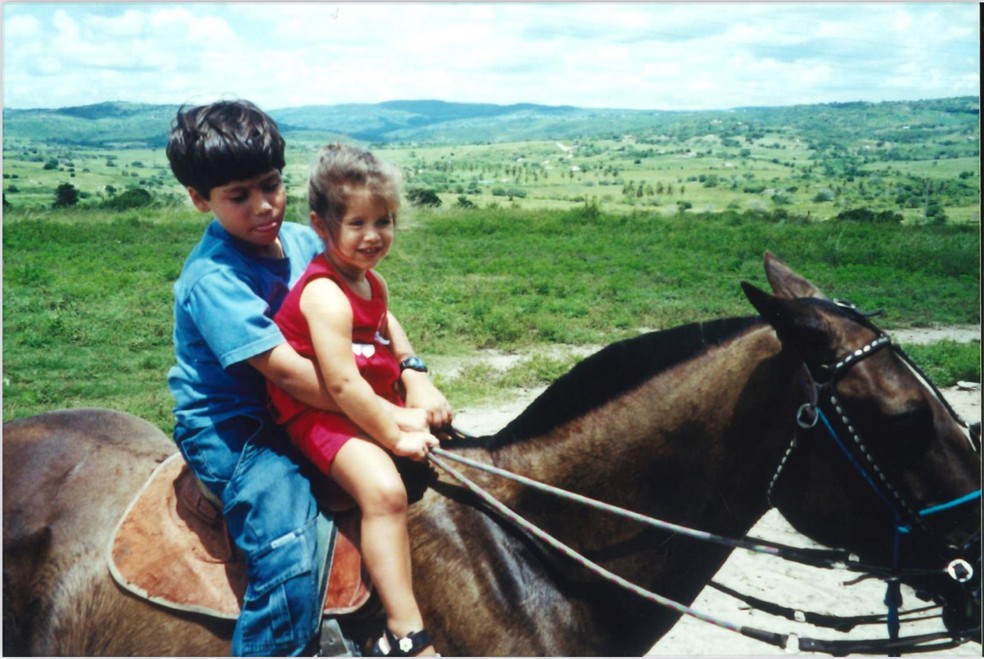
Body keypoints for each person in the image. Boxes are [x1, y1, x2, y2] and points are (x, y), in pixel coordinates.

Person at [166, 101, 443, 655]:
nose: (263, 206)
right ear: (200, 200)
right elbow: (292, 376)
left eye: (270, 185)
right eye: (238, 196)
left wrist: (414, 372)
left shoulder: (299, 240)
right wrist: (390, 416)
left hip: (319, 403)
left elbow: (371, 301)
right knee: (286, 541)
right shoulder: (213, 280)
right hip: (237, 427)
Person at [267, 144, 451, 657]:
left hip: (366, 402)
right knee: (384, 491)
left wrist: (415, 379)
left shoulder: (372, 281)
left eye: (384, 221)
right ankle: (403, 629)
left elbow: (385, 335)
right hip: (320, 414)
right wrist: (394, 433)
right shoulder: (324, 293)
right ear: (322, 227)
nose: (373, 236)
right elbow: (343, 386)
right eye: (357, 223)